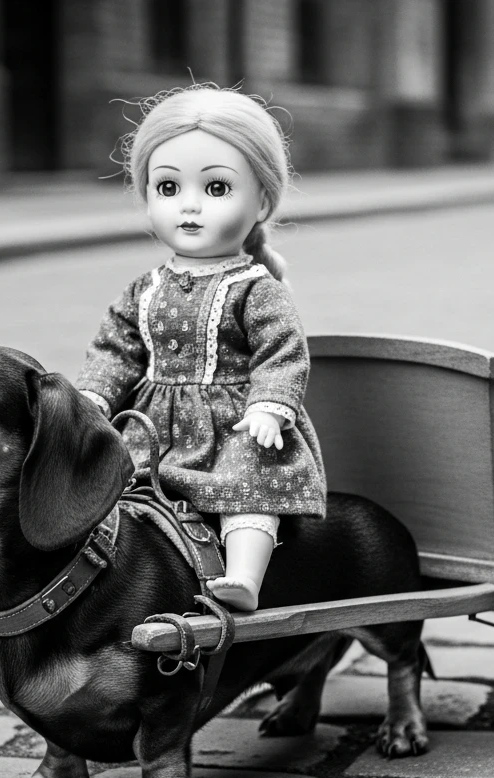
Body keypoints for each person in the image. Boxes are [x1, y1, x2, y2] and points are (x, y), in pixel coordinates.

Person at [75, 85, 326, 612]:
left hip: (232, 424)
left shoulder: (256, 289)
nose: (189, 205)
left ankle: (243, 575)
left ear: (261, 201)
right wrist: (96, 397)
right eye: (167, 188)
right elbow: (115, 348)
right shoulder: (144, 289)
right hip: (153, 421)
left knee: (250, 476)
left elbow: (283, 352)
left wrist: (270, 407)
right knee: (110, 473)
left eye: (216, 188)